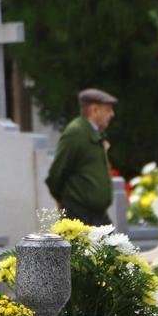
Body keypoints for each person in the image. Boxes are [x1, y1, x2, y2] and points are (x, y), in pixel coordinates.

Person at [46, 88, 118, 226]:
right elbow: (56, 174)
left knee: (115, 246)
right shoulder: (76, 132)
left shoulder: (92, 132)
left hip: (97, 216)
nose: (112, 114)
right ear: (95, 110)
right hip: (79, 216)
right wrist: (67, 201)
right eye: (108, 110)